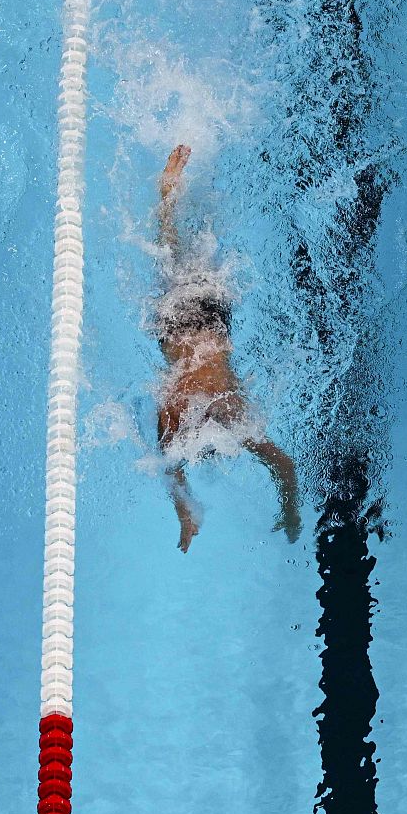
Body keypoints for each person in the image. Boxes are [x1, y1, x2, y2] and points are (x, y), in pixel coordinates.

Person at [153, 144, 300, 551]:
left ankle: (168, 197)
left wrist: (184, 515)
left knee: (177, 257)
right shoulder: (229, 413)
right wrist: (289, 510)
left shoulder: (175, 410)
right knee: (187, 253)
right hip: (207, 320)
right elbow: (284, 467)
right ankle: (173, 196)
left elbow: (171, 467)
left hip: (180, 320)